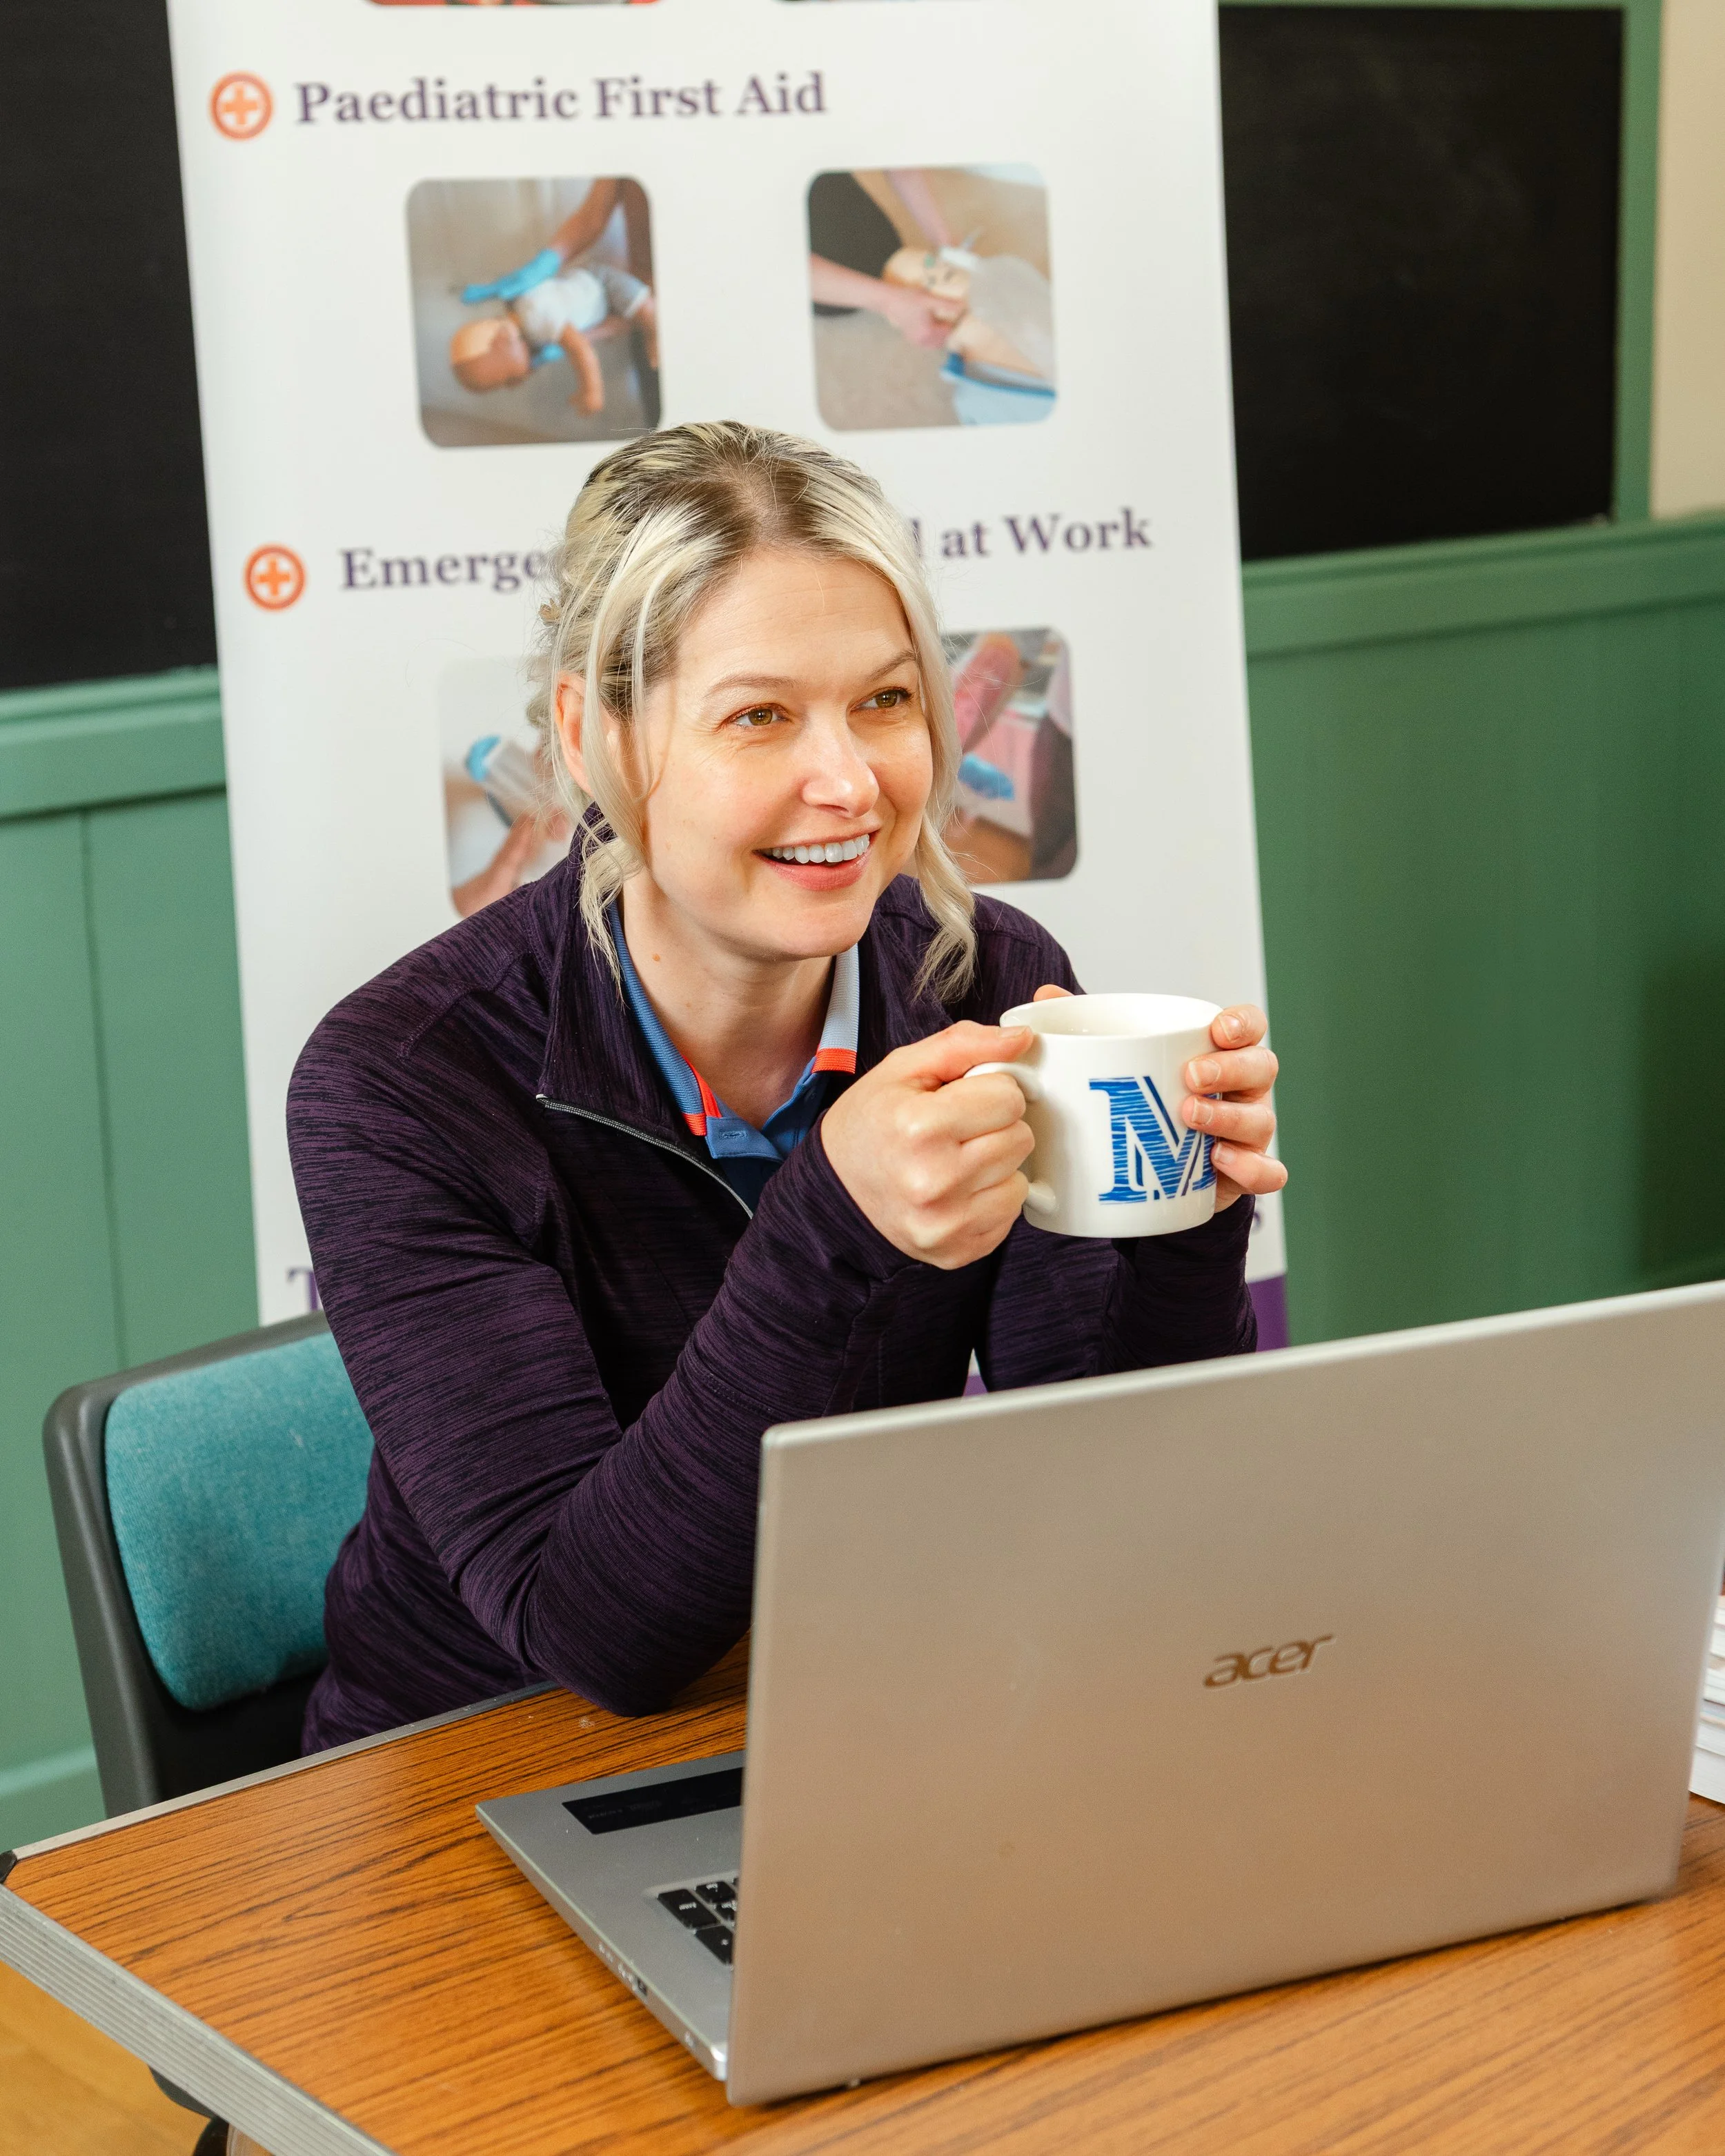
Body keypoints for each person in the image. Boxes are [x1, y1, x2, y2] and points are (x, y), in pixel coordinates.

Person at [287, 422, 1286, 1752]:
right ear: (595, 736)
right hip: (485, 1760)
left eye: (884, 701)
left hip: (861, 1710)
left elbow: (1103, 1482)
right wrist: (833, 1219)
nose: (853, 781)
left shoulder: (984, 975)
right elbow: (600, 1634)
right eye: (760, 715)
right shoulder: (402, 1082)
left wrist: (1182, 1212)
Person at [449, 183, 659, 415]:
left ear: (504, 339)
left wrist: (592, 391)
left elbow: (579, 348)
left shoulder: (536, 318)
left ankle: (654, 335)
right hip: (599, 302)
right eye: (509, 382)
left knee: (648, 311)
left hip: (605, 285)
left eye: (509, 377)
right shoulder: (527, 321)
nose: (514, 385)